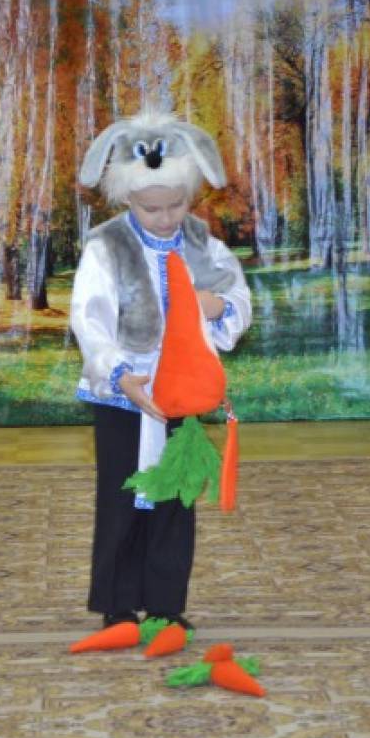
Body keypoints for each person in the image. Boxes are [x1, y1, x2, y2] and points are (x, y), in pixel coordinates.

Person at [70, 111, 252, 631]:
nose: (166, 217)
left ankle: (167, 605)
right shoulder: (106, 247)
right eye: (152, 208)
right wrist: (119, 372)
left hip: (181, 392)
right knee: (124, 495)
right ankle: (118, 605)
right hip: (125, 394)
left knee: (175, 496)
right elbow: (90, 317)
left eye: (176, 204)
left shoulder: (202, 244)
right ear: (128, 197)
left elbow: (238, 295)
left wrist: (219, 306)